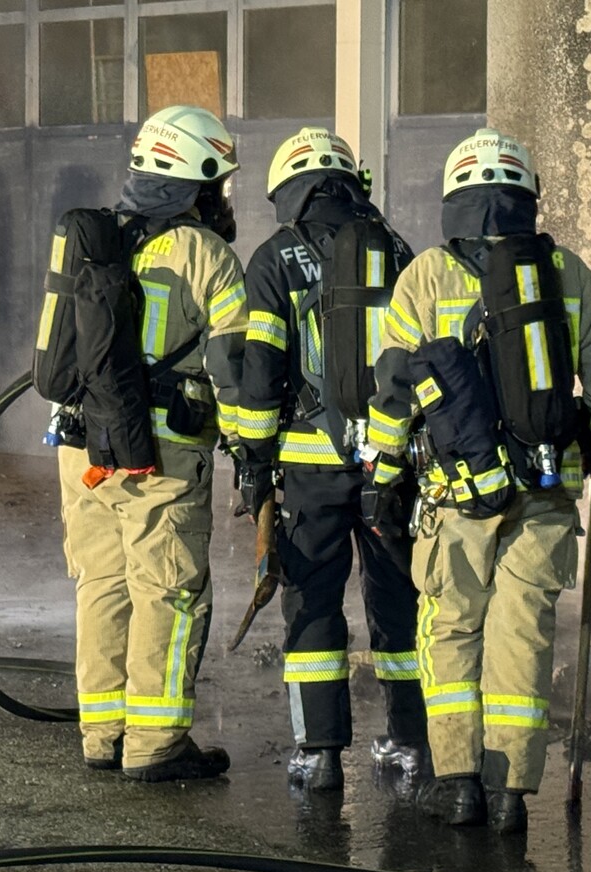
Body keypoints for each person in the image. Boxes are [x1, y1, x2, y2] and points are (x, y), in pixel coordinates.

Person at [365, 128, 591, 833]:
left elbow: (394, 387)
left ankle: (459, 786)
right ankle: (512, 794)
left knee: (451, 630)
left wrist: (386, 472)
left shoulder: (423, 277)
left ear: (453, 197)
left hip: (456, 495)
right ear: (527, 199)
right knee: (523, 634)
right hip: (547, 493)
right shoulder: (567, 273)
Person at [56, 105, 246, 782]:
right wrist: (252, 450)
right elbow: (237, 367)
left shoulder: (93, 239)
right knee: (168, 589)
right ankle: (157, 744)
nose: (221, 198)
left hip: (82, 448)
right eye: (216, 184)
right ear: (194, 181)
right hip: (162, 455)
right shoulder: (205, 253)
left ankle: (103, 734)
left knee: (102, 583)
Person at [235, 127, 427, 791]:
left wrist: (254, 463)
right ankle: (410, 742)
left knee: (313, 600)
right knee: (399, 597)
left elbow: (259, 373)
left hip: (312, 467)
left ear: (291, 191)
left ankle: (319, 755)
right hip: (390, 466)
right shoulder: (398, 248)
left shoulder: (276, 258)